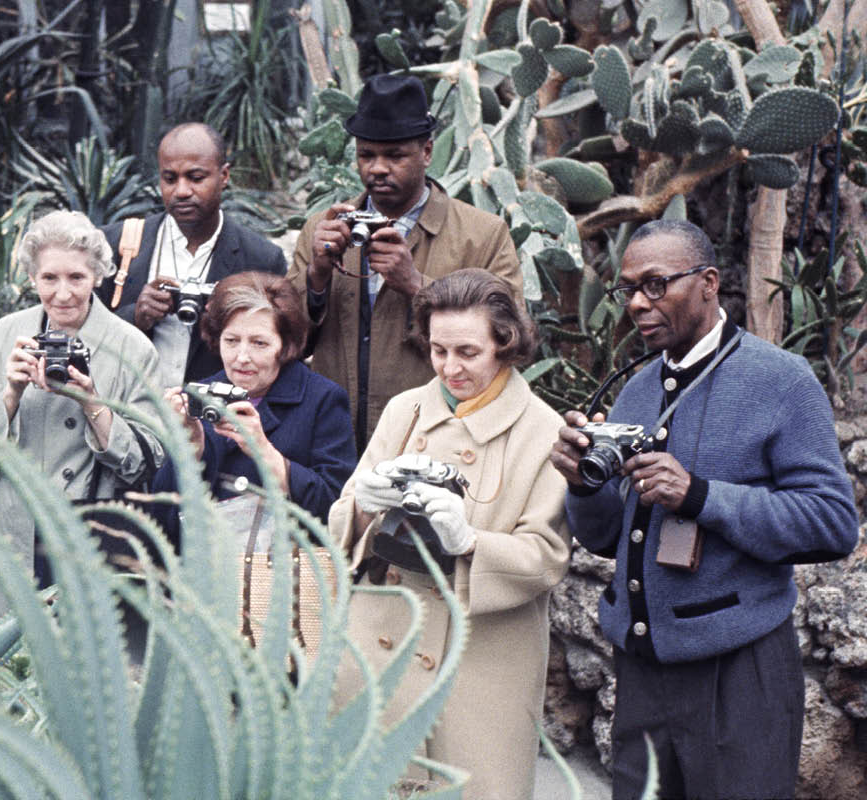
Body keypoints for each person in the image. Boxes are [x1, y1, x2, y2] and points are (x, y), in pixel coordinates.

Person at [549, 220, 859, 799]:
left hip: (738, 671)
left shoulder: (781, 380)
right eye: (628, 289)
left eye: (656, 284)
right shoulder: (637, 388)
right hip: (642, 669)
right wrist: (583, 484)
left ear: (709, 282)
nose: (638, 302)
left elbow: (832, 522)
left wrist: (701, 496)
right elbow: (604, 539)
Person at [329, 269, 570, 799]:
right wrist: (365, 507)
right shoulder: (405, 408)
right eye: (438, 350)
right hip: (382, 642)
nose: (449, 368)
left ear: (505, 345)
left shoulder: (545, 431)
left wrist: (469, 541)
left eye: (468, 352)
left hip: (481, 662)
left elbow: (546, 557)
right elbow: (342, 515)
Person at [287, 74, 523, 452]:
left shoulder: (484, 234)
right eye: (366, 155)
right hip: (331, 441)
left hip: (435, 438)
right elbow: (286, 342)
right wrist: (316, 276)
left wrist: (417, 285)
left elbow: (515, 341)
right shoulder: (323, 229)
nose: (378, 168)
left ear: (427, 152)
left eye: (395, 155)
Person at [0, 210, 164, 628]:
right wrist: (11, 392)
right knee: (6, 660)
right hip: (16, 528)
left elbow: (148, 459)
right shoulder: (8, 333)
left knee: (81, 665)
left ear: (98, 275)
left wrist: (92, 402)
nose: (62, 294)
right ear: (32, 279)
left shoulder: (133, 347)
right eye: (48, 278)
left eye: (76, 277)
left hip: (92, 530)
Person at [151, 271, 356, 545]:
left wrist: (264, 452)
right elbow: (162, 519)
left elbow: (337, 511)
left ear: (285, 345)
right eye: (231, 341)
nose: (242, 357)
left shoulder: (323, 399)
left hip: (283, 574)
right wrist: (189, 450)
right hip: (207, 570)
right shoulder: (200, 394)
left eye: (259, 343)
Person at [98, 122, 287, 386]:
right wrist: (135, 316)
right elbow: (85, 334)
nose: (182, 191)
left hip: (214, 418)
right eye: (169, 179)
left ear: (224, 176)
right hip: (129, 413)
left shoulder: (261, 259)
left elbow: (277, 353)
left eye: (196, 178)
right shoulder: (118, 243)